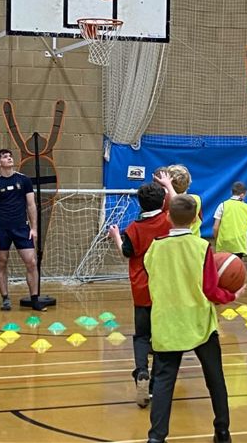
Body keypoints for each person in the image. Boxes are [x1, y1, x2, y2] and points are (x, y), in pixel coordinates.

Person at [144, 194, 239, 443]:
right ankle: (222, 431)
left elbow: (150, 274)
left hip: (167, 323)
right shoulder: (201, 247)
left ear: (168, 216)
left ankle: (156, 437)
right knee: (215, 378)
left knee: (164, 383)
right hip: (199, 322)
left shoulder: (156, 247)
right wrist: (231, 295)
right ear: (197, 218)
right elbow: (210, 289)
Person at [107, 173, 175, 408]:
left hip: (141, 291)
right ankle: (154, 386)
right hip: (165, 291)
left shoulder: (133, 228)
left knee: (142, 335)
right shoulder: (169, 221)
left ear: (140, 203)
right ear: (162, 202)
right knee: (160, 339)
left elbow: (126, 253)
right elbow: (182, 210)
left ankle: (141, 371)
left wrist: (116, 236)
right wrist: (168, 186)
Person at [0, 148, 46, 311]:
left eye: (10, 156)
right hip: (2, 229)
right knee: (1, 262)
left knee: (31, 262)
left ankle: (34, 299)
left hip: (21, 227)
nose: (10, 158)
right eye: (5, 157)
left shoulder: (24, 180)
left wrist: (34, 228)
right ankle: (5, 298)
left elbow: (31, 205)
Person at [211, 181, 247, 258]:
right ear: (243, 195)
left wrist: (217, 240)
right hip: (239, 245)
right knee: (237, 267)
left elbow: (215, 227)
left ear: (231, 192)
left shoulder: (222, 205)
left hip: (223, 245)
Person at [166, 164, 203, 236]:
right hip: (194, 242)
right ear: (189, 182)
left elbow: (178, 201)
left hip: (173, 242)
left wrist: (168, 185)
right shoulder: (196, 199)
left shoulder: (166, 200)